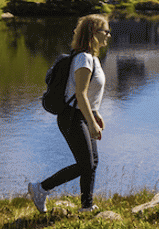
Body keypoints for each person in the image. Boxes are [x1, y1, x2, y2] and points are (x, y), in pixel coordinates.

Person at [29, 14, 110, 215]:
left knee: (92, 163)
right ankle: (41, 188)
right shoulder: (83, 58)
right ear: (93, 33)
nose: (109, 35)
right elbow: (80, 93)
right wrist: (91, 122)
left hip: (83, 114)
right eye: (105, 31)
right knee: (86, 164)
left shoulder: (93, 58)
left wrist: (95, 113)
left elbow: (87, 93)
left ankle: (87, 206)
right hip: (72, 116)